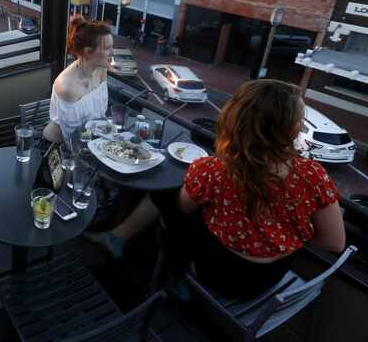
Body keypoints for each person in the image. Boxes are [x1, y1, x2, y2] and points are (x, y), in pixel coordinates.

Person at [87, 80, 346, 299]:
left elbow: (183, 208)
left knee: (166, 199)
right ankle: (122, 241)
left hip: (216, 275)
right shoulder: (313, 176)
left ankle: (133, 248)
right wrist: (282, 230)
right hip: (270, 278)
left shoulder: (214, 169)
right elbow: (335, 242)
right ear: (291, 129)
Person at [43, 16, 113, 144]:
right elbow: (72, 137)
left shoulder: (101, 70)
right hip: (58, 147)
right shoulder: (67, 87)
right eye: (107, 48)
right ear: (88, 52)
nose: (112, 53)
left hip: (89, 140)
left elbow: (98, 118)